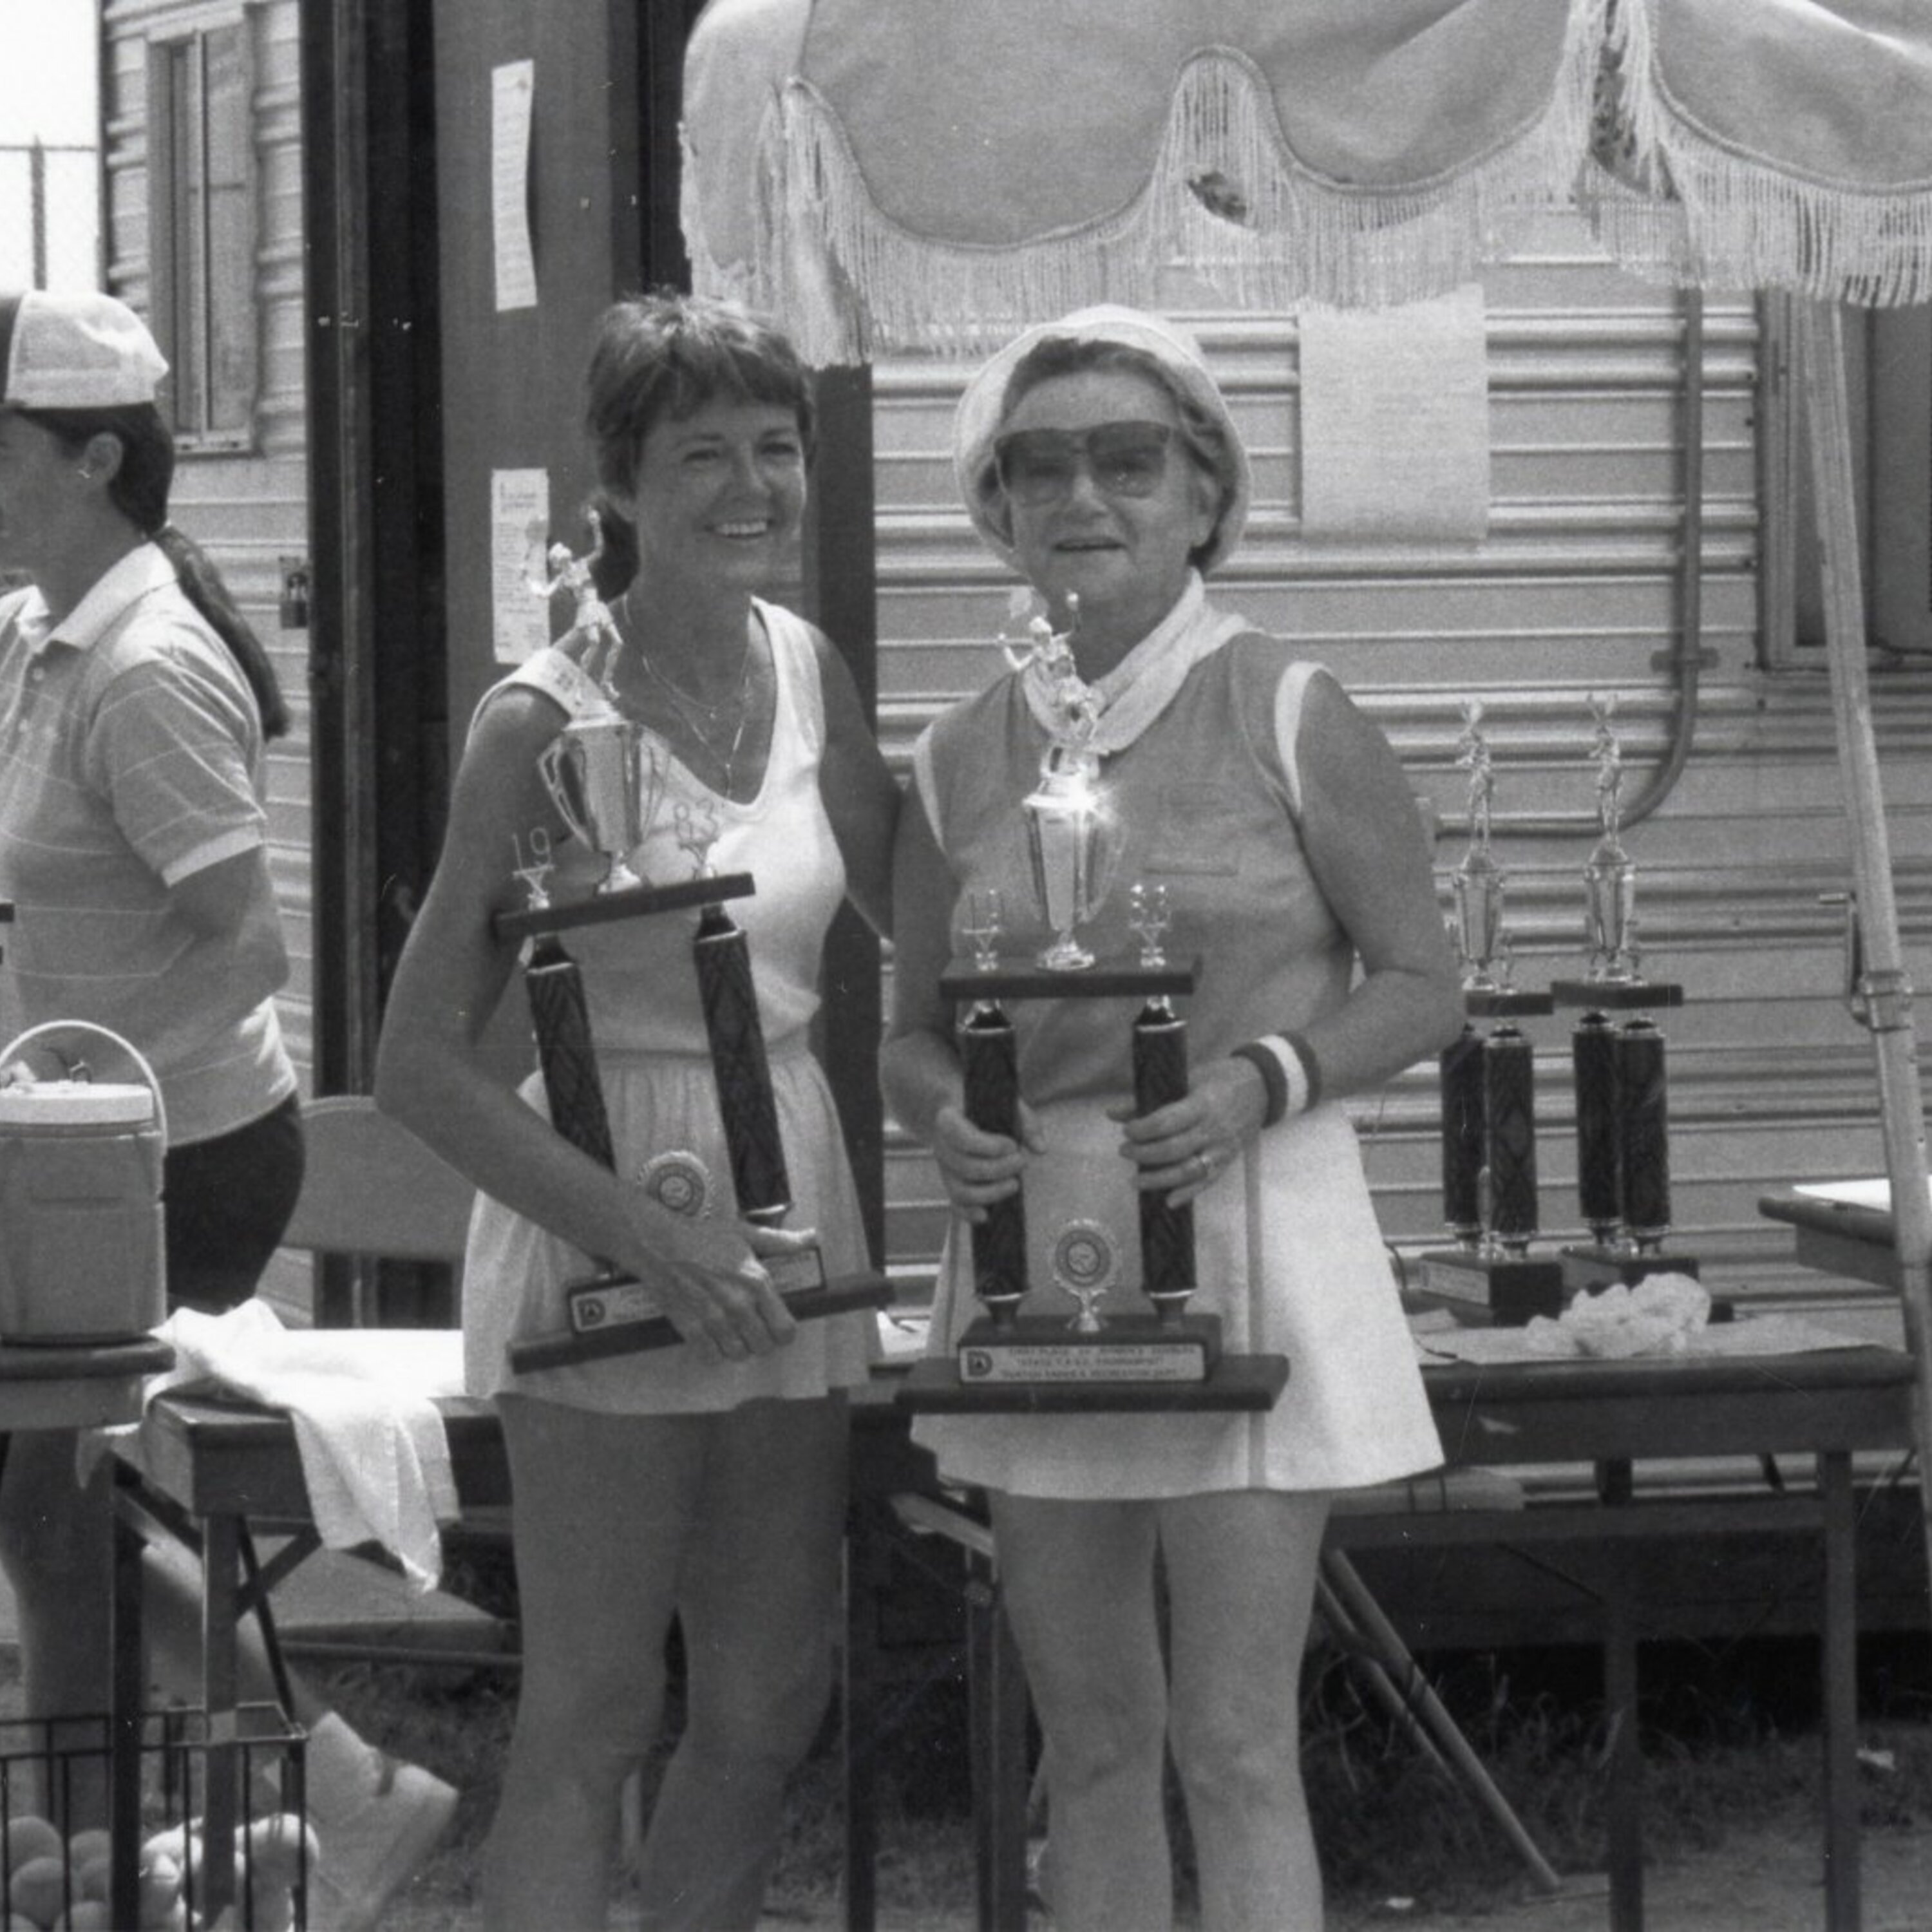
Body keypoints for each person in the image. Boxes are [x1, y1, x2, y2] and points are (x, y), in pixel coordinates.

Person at [880, 305, 1464, 1932]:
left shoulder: (1288, 704)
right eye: (1040, 464)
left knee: (1233, 1741)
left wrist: (1255, 1083)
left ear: (1206, 491)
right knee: (1093, 1741)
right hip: (1030, 1266)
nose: (1086, 495)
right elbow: (911, 1039)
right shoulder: (951, 752)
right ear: (993, 508)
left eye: (1129, 459)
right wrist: (943, 1120)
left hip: (1256, 1240)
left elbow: (1423, 980)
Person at [375, 292, 898, 1932]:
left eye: (775, 446)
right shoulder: (539, 721)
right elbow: (418, 1064)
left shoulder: (811, 672)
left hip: (795, 1201)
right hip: (602, 1220)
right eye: (702, 454)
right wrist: (647, 1242)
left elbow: (928, 941)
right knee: (595, 1709)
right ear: (616, 486)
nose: (751, 484)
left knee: (766, 1701)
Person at [0, 289, 456, 1931]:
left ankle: (306, 1797)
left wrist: (74, 1087)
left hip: (168, 1157)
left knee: (59, 1502)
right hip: (71, 1164)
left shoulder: (147, 668)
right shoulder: (40, 637)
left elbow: (249, 945)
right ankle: (153, 1838)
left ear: (91, 458)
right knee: (53, 1508)